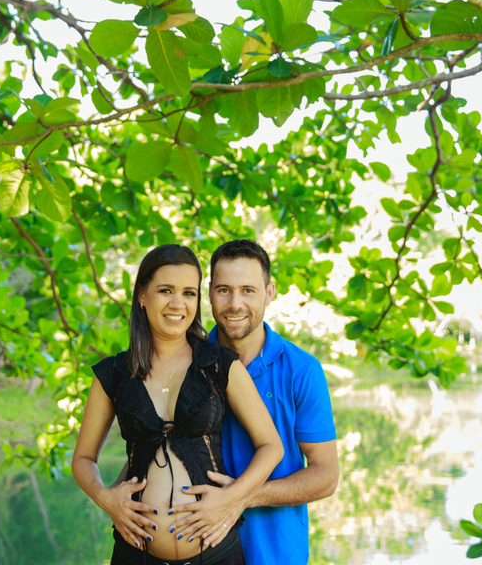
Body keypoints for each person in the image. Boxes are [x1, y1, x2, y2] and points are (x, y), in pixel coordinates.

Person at [72, 243, 284, 565]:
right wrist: (106, 499)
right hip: (135, 554)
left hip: (217, 553)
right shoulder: (113, 374)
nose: (178, 303)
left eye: (189, 293)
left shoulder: (221, 365)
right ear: (142, 295)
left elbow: (271, 446)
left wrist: (232, 498)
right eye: (166, 290)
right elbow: (84, 458)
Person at [167, 239, 339, 565]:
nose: (235, 303)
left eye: (248, 290)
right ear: (209, 293)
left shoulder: (301, 370)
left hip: (275, 555)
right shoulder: (182, 361)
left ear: (269, 292)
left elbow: (326, 475)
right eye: (224, 290)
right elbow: (154, 439)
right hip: (196, 550)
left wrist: (240, 497)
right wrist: (115, 494)